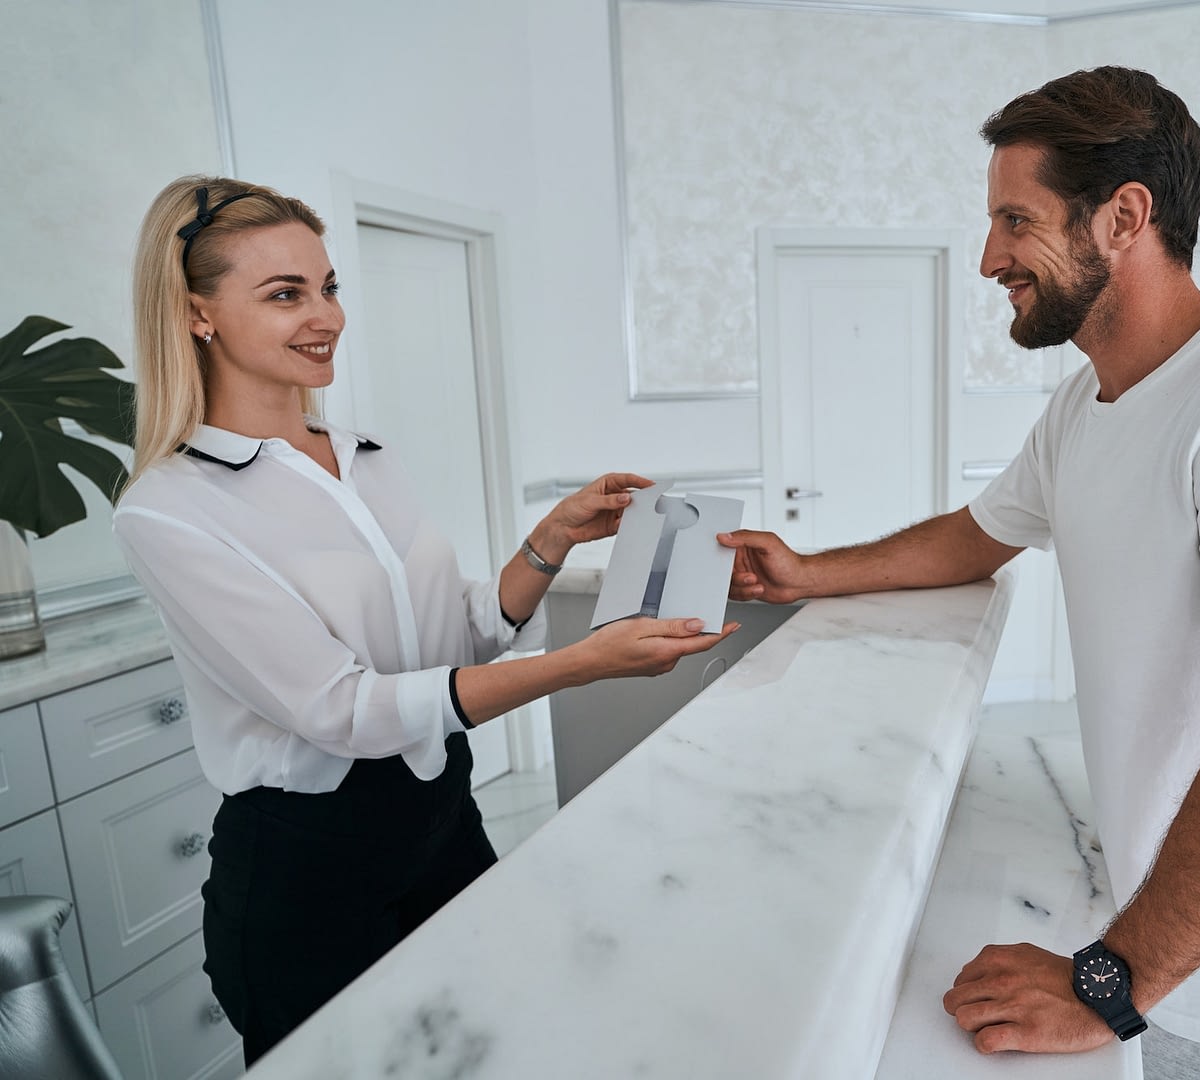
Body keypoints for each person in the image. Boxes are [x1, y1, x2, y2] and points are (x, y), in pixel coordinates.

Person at [720, 67, 1200, 1078]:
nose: (990, 258)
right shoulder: (1088, 406)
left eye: (1013, 221)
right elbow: (973, 534)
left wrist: (1109, 981)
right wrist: (805, 571)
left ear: (1124, 217)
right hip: (1163, 926)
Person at [113, 175, 737, 1064]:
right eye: (285, 295)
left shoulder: (367, 459)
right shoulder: (169, 509)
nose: (324, 315)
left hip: (444, 825)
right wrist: (584, 663)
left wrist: (549, 540)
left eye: (328, 287)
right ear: (197, 314)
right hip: (306, 873)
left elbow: (454, 643)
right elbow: (342, 711)